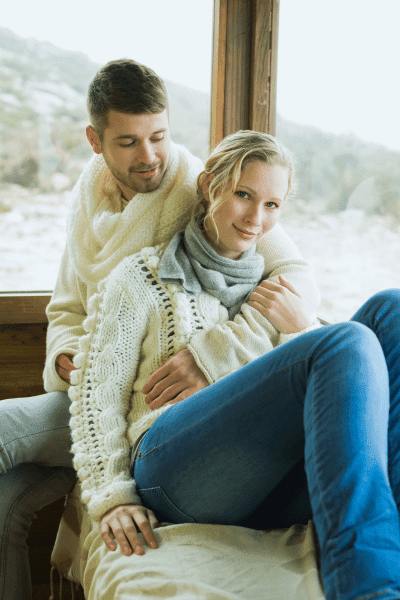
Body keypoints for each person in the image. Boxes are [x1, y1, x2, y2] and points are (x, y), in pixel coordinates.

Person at [0, 60, 320, 600]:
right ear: (95, 141)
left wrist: (214, 353)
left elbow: (297, 281)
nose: (149, 156)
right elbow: (68, 306)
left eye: (159, 136)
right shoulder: (89, 197)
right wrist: (67, 355)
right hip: (96, 376)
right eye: (128, 142)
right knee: (7, 498)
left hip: (152, 397)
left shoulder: (203, 186)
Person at [70, 130, 400, 600]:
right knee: (344, 339)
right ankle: (371, 589)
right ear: (208, 186)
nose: (256, 218)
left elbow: (332, 387)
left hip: (265, 485)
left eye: (272, 205)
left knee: (391, 310)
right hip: (172, 469)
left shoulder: (276, 289)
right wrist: (111, 498)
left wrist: (296, 328)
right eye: (244, 195)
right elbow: (95, 393)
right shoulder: (140, 278)